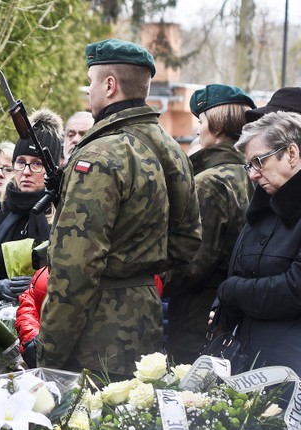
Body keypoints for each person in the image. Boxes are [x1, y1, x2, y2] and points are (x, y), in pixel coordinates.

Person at [38, 39, 202, 377]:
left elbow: (75, 267)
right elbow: (188, 240)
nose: (89, 91)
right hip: (146, 324)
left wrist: (48, 355)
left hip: (94, 339)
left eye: (91, 82)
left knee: (88, 412)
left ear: (110, 85)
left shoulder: (99, 156)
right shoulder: (173, 150)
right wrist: (139, 275)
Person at [162, 84, 255, 364]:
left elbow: (193, 262)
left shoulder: (210, 183)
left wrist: (153, 279)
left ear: (217, 126)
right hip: (236, 317)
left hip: (198, 321)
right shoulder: (250, 174)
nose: (198, 130)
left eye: (201, 121)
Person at [217, 111, 301, 375]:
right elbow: (239, 267)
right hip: (251, 360)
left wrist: (231, 292)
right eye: (249, 165)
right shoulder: (263, 207)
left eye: (259, 161)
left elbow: (294, 289)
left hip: (290, 369)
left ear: (291, 153)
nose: (253, 174)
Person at [0, 110, 59, 315]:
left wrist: (41, 286)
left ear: (52, 168)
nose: (26, 171)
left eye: (37, 163)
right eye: (21, 162)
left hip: (50, 323)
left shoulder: (64, 215)